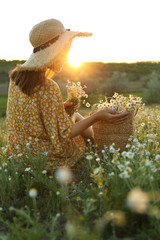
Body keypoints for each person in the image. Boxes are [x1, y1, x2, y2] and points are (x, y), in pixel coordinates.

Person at [6, 18, 129, 170]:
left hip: (19, 152)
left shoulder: (16, 77)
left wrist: (58, 107)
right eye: (63, 53)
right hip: (44, 156)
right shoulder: (48, 86)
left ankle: (99, 144)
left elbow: (27, 114)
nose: (66, 58)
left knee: (74, 115)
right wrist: (98, 116)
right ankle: (101, 147)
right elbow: (64, 134)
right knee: (76, 120)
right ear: (52, 52)